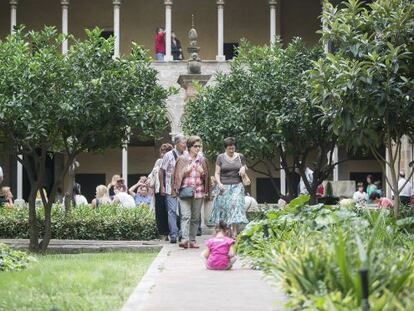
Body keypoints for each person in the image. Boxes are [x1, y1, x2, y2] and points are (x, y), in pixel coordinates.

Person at [173, 136, 209, 249]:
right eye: (195, 146)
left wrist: (202, 173)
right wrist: (185, 171)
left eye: (199, 146)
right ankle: (184, 239)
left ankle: (192, 240)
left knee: (195, 217)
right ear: (189, 147)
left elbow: (207, 177)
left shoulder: (202, 160)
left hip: (199, 192)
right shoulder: (182, 159)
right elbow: (176, 176)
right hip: (185, 191)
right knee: (185, 216)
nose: (198, 148)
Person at [210, 137, 249, 237]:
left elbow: (244, 167)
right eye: (229, 149)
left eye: (233, 148)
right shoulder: (220, 157)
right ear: (225, 148)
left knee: (235, 206)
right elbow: (217, 173)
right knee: (225, 209)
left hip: (237, 185)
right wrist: (219, 183)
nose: (231, 150)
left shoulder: (240, 156)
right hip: (224, 186)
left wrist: (243, 168)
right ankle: (226, 230)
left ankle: (234, 232)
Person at [159, 134, 187, 244]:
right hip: (170, 187)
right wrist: (162, 186)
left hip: (184, 186)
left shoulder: (186, 155)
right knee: (171, 211)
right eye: (183, 143)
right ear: (176, 143)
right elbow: (162, 171)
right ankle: (174, 234)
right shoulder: (168, 155)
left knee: (183, 211)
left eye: (185, 143)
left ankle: (182, 233)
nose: (185, 145)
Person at [149, 143, 173, 238]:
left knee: (170, 211)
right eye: (162, 152)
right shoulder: (158, 162)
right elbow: (152, 174)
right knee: (160, 212)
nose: (163, 154)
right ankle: (164, 233)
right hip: (159, 190)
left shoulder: (172, 161)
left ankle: (172, 231)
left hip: (169, 189)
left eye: (166, 152)